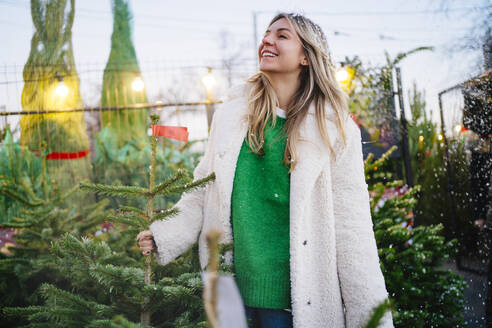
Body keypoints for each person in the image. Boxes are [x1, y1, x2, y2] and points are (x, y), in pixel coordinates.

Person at [137, 12, 394, 328]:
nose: (267, 40)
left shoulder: (335, 131)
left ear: (305, 56)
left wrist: (371, 320)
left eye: (282, 35)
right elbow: (202, 189)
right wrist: (164, 234)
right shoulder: (231, 117)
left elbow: (352, 231)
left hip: (293, 306)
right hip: (230, 297)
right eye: (267, 34)